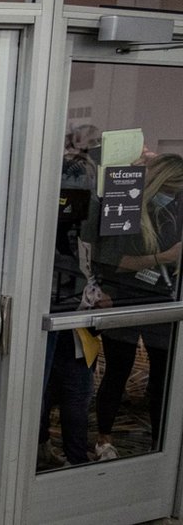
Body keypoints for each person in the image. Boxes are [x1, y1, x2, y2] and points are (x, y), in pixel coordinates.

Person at [92, 153, 183, 459]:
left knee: (163, 378)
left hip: (164, 303)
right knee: (117, 372)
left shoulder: (176, 209)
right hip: (123, 298)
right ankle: (104, 439)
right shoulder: (126, 205)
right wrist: (164, 258)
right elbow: (111, 261)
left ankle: (161, 444)